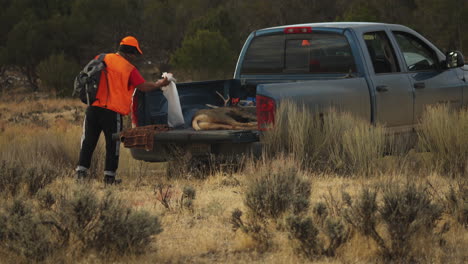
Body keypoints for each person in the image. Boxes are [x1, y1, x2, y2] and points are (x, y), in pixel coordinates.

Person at [75, 36, 170, 184]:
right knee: (113, 145)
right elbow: (143, 87)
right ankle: (109, 177)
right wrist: (160, 84)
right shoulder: (129, 68)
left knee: (88, 141)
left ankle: (81, 173)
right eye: (135, 54)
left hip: (93, 108)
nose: (135, 58)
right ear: (129, 52)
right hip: (112, 112)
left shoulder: (102, 57)